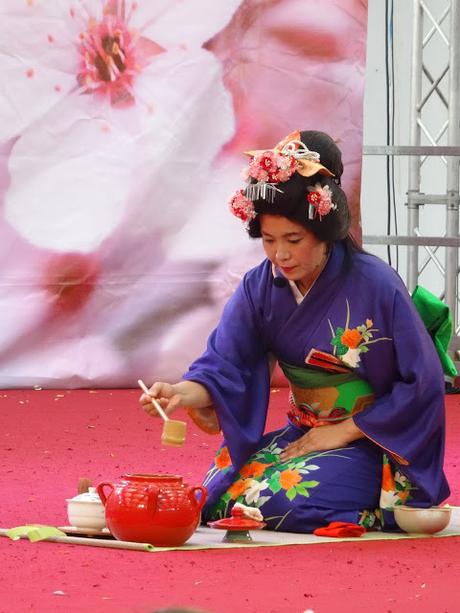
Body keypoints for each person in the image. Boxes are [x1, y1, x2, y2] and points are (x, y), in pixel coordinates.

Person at [140, 130, 450, 532]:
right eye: (268, 240)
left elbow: (421, 384)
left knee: (282, 500)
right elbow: (227, 366)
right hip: (305, 432)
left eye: (293, 239)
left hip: (375, 441)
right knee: (221, 496)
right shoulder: (260, 286)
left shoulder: (376, 284)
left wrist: (342, 431)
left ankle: (374, 509)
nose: (280, 254)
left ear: (325, 234)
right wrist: (181, 393)